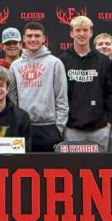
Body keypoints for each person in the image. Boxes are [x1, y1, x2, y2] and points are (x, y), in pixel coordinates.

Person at [9, 21, 68, 151]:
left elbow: (61, 98)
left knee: (50, 169)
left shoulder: (55, 63)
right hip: (23, 126)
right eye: (29, 36)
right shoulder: (15, 65)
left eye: (37, 35)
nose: (33, 39)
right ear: (23, 39)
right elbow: (12, 99)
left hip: (49, 126)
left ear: (43, 38)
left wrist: (59, 127)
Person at [61, 15, 112, 150]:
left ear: (91, 33)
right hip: (72, 129)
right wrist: (63, 124)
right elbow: (58, 95)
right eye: (78, 30)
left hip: (99, 129)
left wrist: (108, 122)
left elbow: (111, 94)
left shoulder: (103, 61)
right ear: (71, 33)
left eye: (85, 30)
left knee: (100, 168)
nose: (81, 34)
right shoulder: (62, 60)